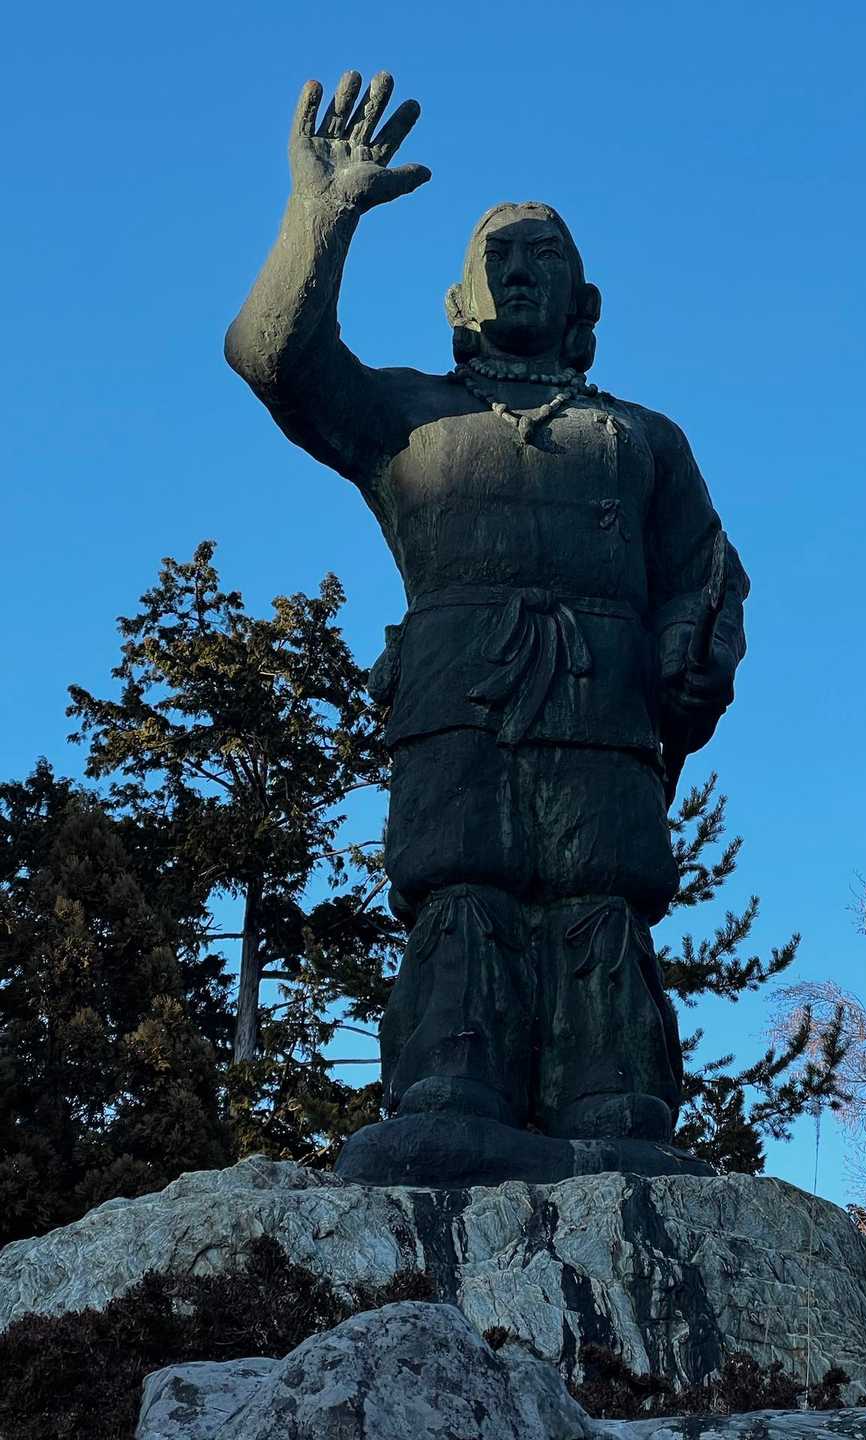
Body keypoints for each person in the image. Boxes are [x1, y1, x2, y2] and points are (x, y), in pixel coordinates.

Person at [226, 68, 749, 1167]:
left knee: (602, 889)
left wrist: (690, 655)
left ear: (583, 300)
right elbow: (272, 357)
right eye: (497, 256)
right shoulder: (406, 416)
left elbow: (704, 575)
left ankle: (614, 1090)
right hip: (456, 694)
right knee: (460, 881)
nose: (518, 269)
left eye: (543, 256)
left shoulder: (641, 439)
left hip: (601, 701)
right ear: (460, 301)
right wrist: (321, 218)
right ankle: (449, 1078)